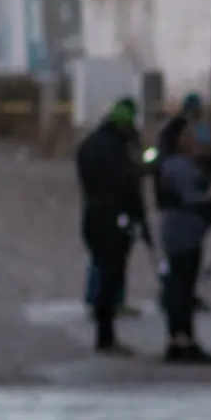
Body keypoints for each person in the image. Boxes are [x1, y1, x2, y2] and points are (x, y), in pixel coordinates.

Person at [75, 97, 150, 355]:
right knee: (110, 273)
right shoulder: (120, 149)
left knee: (105, 268)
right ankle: (105, 336)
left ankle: (103, 323)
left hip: (93, 214)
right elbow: (130, 186)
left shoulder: (89, 144)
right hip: (115, 217)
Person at [156, 122, 211, 364]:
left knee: (179, 284)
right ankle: (183, 339)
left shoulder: (171, 165)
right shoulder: (181, 167)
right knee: (182, 287)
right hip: (185, 231)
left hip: (181, 230)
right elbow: (191, 197)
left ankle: (177, 338)